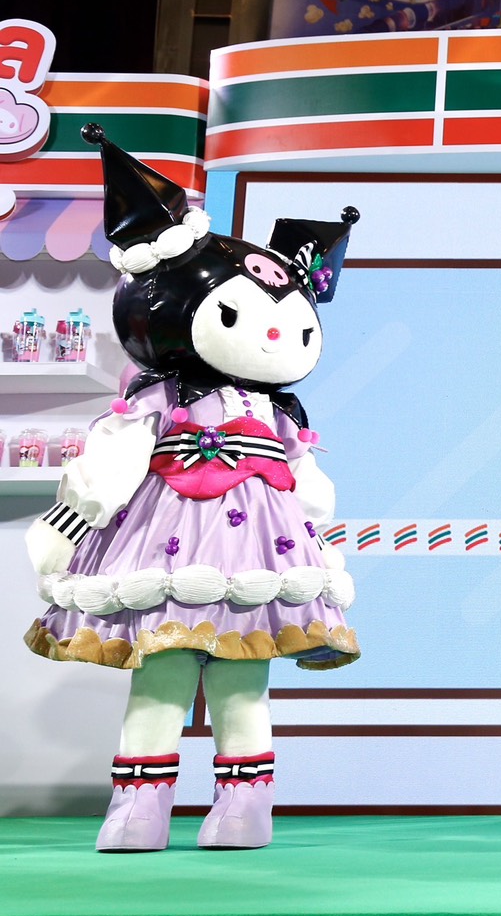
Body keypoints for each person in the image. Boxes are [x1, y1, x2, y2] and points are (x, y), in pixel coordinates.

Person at [23, 125, 360, 852]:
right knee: (167, 671)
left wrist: (319, 542)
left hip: (256, 548)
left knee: (239, 675)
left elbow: (305, 485)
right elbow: (110, 467)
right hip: (175, 542)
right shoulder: (160, 395)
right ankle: (142, 810)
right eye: (240, 317)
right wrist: (67, 525)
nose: (277, 338)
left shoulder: (278, 411)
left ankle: (238, 810)